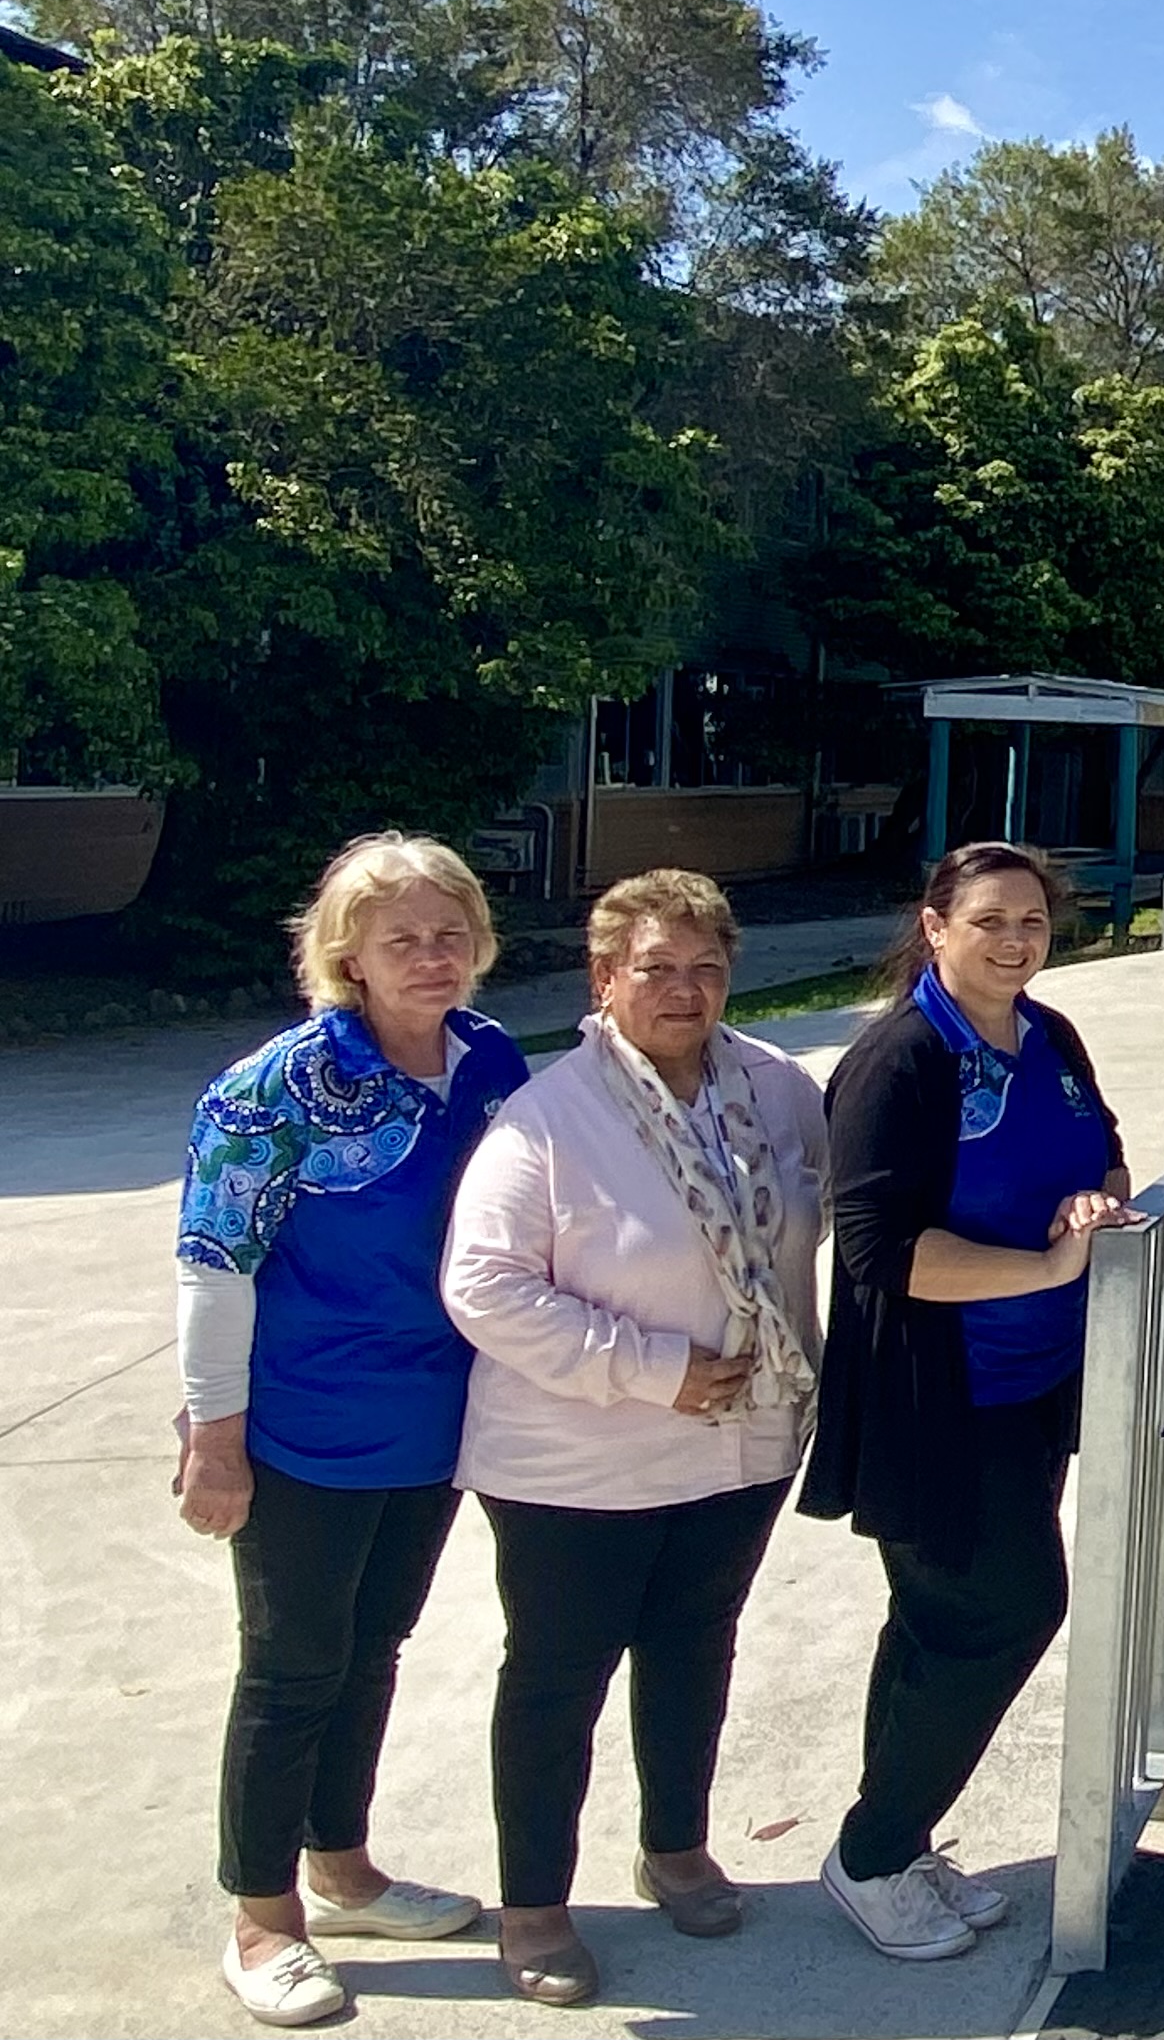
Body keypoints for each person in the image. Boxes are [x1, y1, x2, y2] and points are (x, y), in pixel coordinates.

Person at [442, 869, 830, 2002]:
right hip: (577, 1461)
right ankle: (535, 1905)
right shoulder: (547, 1120)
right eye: (656, 967)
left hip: (741, 1446)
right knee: (558, 1678)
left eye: (707, 965)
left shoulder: (773, 1088)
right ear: (604, 979)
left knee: (694, 1647)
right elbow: (485, 1285)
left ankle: (674, 1845)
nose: (685, 987)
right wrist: (652, 1369)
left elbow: (836, 1208)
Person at [173, 834, 531, 2030]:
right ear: (346, 956)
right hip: (302, 1432)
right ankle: (263, 1917)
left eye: (449, 935)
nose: (431, 958)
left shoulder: (488, 1059)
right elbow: (215, 1269)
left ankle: (345, 1868)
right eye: (401, 940)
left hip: (435, 1425)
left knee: (373, 1647)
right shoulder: (269, 1090)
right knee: (289, 1670)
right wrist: (215, 1437)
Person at [798, 843, 1134, 1963]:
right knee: (1008, 1608)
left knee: (936, 1622)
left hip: (1033, 1389)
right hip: (934, 1397)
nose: (1013, 939)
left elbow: (1109, 1153)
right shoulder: (900, 1058)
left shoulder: (1049, 1036)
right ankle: (873, 1849)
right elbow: (878, 1251)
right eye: (987, 918)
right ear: (933, 925)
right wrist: (1040, 1271)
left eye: (1031, 919)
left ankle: (896, 1837)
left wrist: (1097, 1198)